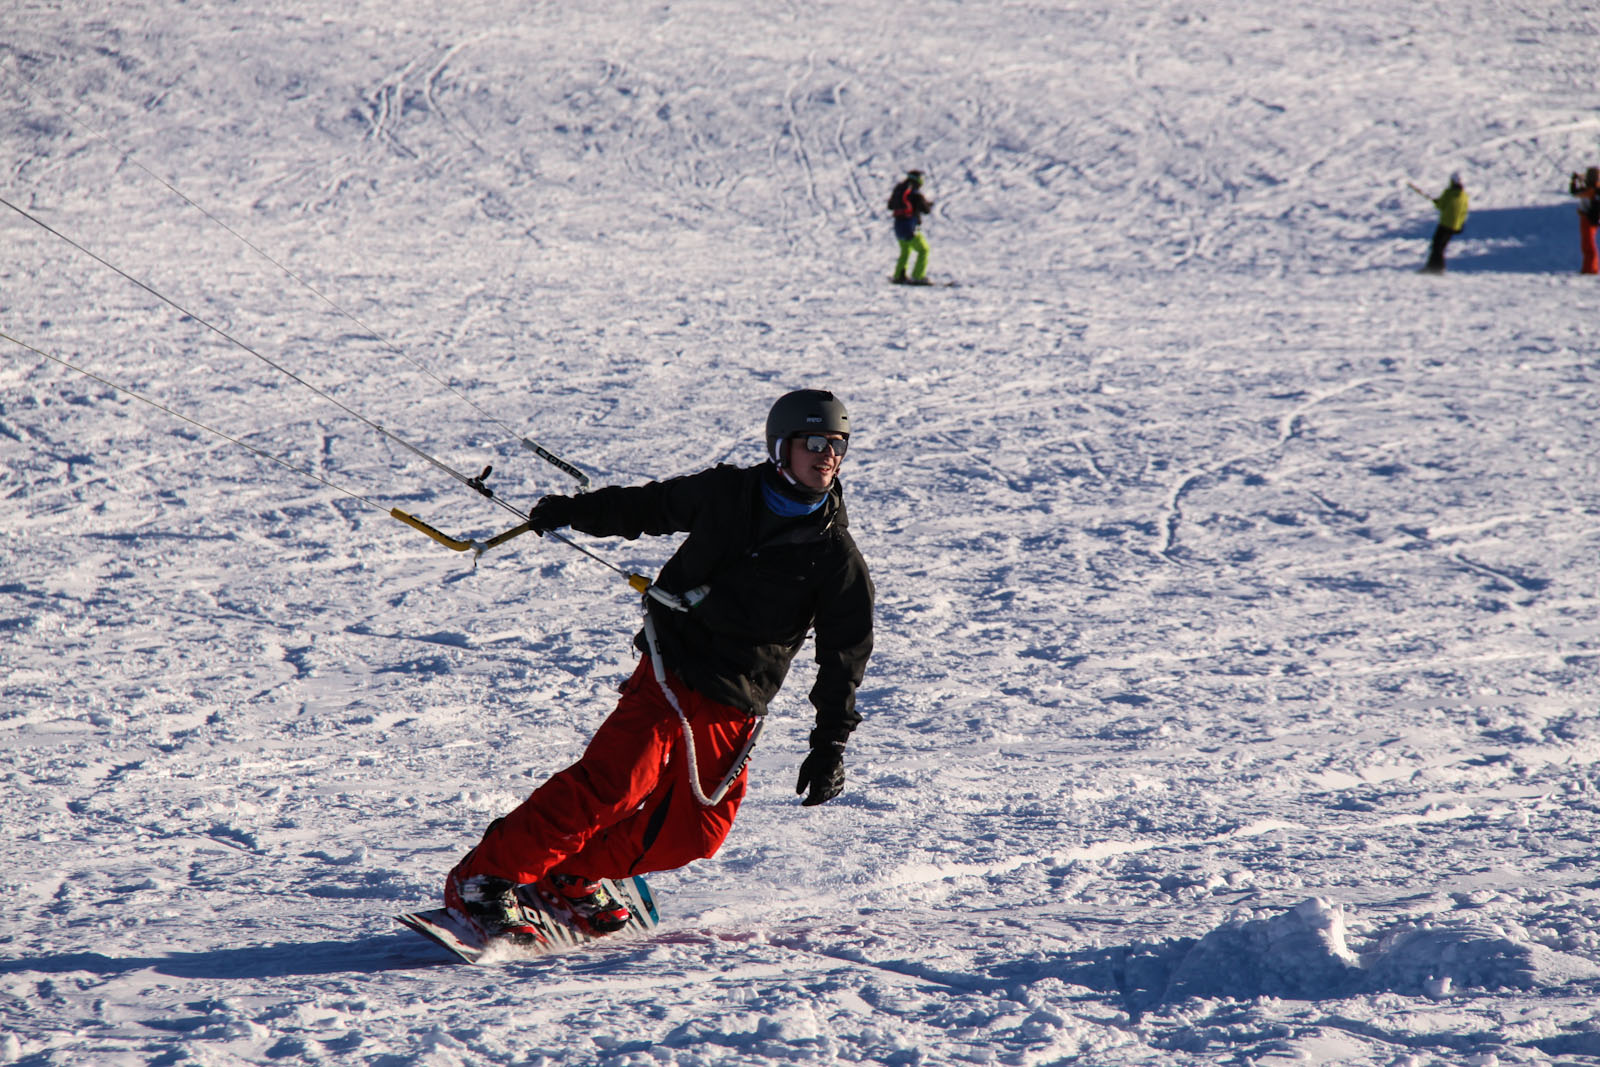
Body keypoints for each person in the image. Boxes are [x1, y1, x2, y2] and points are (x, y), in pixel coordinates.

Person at [443, 389, 875, 942]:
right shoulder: (729, 493)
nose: (827, 455)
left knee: (699, 832)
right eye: (814, 442)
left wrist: (829, 745)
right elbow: (649, 507)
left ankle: (573, 873)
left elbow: (844, 657)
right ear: (780, 447)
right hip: (673, 668)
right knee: (618, 783)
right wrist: (575, 512)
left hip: (736, 698)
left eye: (837, 445)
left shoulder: (837, 558)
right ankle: (487, 876)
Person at [888, 169, 934, 284]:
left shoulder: (899, 190)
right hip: (910, 228)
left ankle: (899, 275)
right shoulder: (915, 194)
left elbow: (890, 206)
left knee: (905, 251)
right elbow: (926, 210)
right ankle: (918, 276)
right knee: (924, 250)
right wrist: (928, 204)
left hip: (898, 227)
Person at [1421, 173, 1468, 274]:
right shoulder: (1464, 196)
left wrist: (1436, 202)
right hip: (1454, 226)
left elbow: (1441, 206)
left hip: (1445, 223)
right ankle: (1434, 267)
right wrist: (1460, 225)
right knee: (1441, 246)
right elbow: (1464, 212)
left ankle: (1435, 268)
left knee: (1437, 246)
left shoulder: (1448, 193)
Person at [1569, 166, 1600, 275]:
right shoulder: (1594, 189)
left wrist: (1574, 181)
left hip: (1587, 218)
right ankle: (1591, 268)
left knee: (1588, 244)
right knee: (1588, 244)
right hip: (1593, 218)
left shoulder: (1590, 190)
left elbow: (1575, 192)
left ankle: (1590, 269)